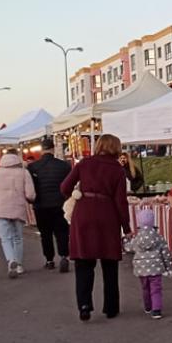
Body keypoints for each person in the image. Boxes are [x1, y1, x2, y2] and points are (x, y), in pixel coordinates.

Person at [60, 134, 131, 321]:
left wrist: (78, 194)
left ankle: (84, 305)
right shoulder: (117, 170)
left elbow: (64, 187)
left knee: (84, 263)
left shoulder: (84, 164)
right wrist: (126, 227)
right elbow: (121, 202)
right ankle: (111, 307)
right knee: (110, 264)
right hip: (107, 215)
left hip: (83, 214)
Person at [0, 152, 36, 279]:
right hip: (18, 208)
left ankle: (11, 260)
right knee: (18, 238)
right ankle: (19, 265)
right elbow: (30, 194)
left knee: (5, 238)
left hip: (1, 208)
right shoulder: (24, 172)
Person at [27, 138, 72, 272]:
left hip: (41, 205)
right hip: (60, 204)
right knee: (62, 232)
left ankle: (49, 260)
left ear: (42, 150)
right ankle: (64, 256)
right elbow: (69, 185)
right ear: (53, 149)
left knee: (45, 234)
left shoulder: (32, 167)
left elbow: (31, 188)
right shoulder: (64, 166)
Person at [124, 207, 172, 320]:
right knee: (156, 289)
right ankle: (157, 310)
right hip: (156, 268)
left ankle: (148, 306)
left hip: (141, 269)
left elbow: (128, 248)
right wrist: (167, 267)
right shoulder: (158, 237)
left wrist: (125, 240)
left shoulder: (137, 238)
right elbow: (165, 253)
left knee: (145, 288)